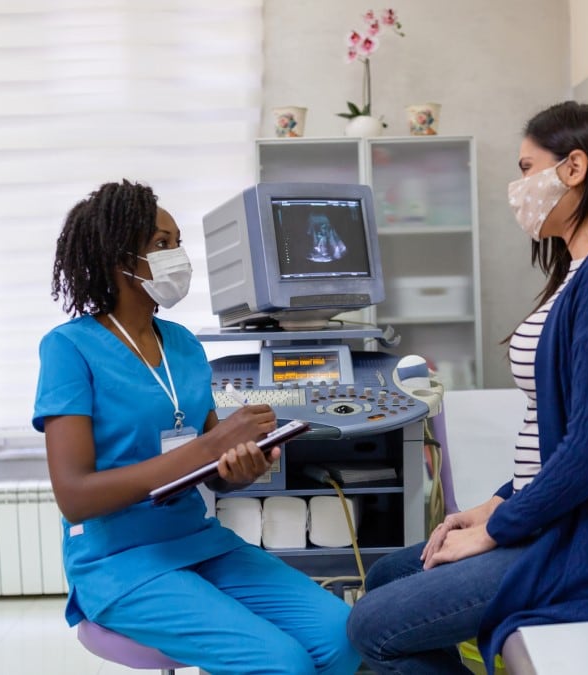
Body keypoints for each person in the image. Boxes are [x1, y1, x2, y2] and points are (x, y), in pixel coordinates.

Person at [346, 101, 588, 672]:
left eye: (524, 168)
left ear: (574, 168)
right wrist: (498, 502)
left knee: (372, 626)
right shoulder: (579, 269)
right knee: (391, 574)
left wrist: (497, 530)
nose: (517, 188)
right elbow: (552, 434)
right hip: (568, 517)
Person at [33, 179, 361, 674]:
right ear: (117, 256)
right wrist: (209, 447)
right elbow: (74, 495)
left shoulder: (182, 344)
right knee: (282, 663)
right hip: (119, 561)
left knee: (342, 637)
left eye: (178, 243)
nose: (177, 256)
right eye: (161, 244)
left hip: (198, 540)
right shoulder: (68, 348)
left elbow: (213, 469)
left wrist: (240, 467)